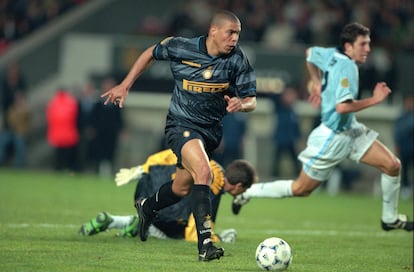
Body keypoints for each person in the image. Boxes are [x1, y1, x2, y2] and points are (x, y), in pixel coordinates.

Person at [101, 10, 257, 261]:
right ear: (213, 31)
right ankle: (205, 245)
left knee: (181, 187)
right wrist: (125, 84)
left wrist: (242, 103)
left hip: (210, 132)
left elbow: (252, 100)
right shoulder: (181, 46)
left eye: (238, 33)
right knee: (204, 173)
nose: (234, 38)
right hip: (180, 125)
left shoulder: (238, 60)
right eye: (230, 32)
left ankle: (147, 206)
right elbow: (150, 53)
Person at [232, 22, 413, 231]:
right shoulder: (348, 68)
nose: (368, 49)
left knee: (393, 166)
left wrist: (315, 82)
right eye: (363, 44)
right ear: (348, 47)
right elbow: (343, 107)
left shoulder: (331, 54)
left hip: (350, 130)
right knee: (300, 188)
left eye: (368, 44)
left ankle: (389, 219)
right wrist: (375, 99)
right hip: (332, 137)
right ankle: (248, 192)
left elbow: (310, 53)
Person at [79, 149, 257, 244]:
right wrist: (219, 238)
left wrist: (144, 167)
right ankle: (132, 224)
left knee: (162, 213)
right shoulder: (214, 184)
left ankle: (120, 221)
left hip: (146, 192)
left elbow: (173, 154)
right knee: (178, 232)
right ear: (239, 186)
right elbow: (194, 233)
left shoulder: (207, 161)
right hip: (170, 210)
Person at [46, 88, 80, 172]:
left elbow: (49, 118)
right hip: (69, 134)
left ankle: (58, 168)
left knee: (58, 153)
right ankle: (67, 169)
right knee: (68, 154)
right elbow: (76, 118)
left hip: (56, 134)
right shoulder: (71, 103)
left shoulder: (52, 103)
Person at [393, 93, 414, 200]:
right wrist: (397, 144)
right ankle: (406, 189)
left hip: (412, 147)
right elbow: (396, 132)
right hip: (404, 148)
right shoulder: (401, 117)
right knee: (404, 169)